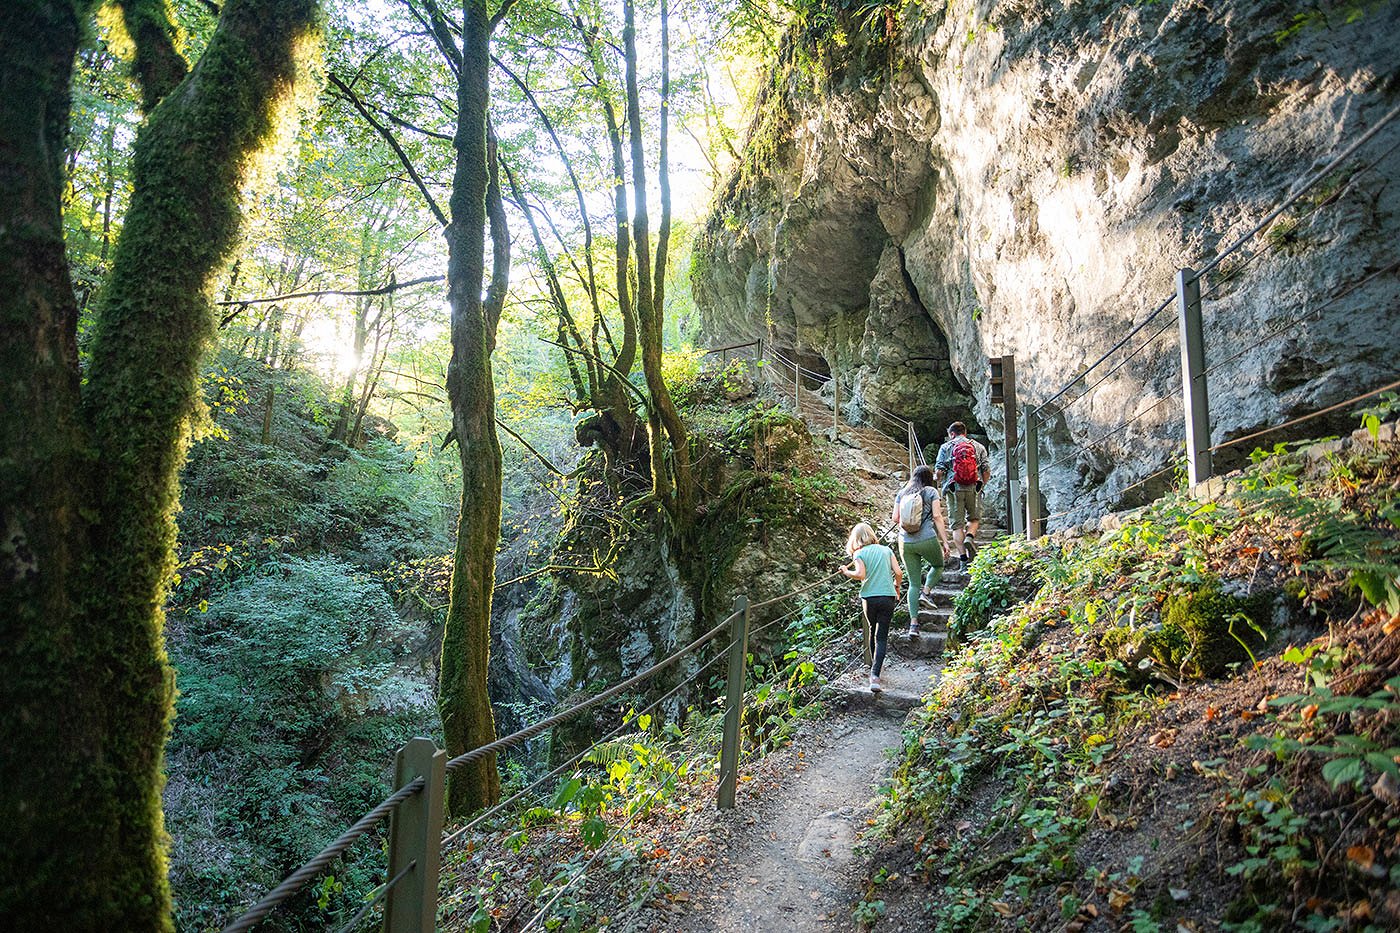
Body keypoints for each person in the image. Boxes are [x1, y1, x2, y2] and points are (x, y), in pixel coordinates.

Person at [840, 522, 902, 693]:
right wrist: (896, 587)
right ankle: (875, 675)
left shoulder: (859, 553)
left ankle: (874, 671)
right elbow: (898, 573)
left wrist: (846, 572)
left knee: (872, 630)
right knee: (881, 636)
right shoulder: (886, 550)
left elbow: (860, 575)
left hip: (869, 598)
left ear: (855, 539)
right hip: (888, 597)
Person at [891, 464, 952, 636]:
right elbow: (938, 516)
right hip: (926, 538)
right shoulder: (931, 492)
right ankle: (926, 593)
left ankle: (914, 626)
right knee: (939, 564)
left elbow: (895, 518)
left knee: (912, 583)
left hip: (905, 542)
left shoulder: (902, 493)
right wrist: (945, 542)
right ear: (928, 478)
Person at [934, 421, 990, 571]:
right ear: (965, 432)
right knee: (974, 518)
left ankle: (964, 561)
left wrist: (938, 484)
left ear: (951, 434)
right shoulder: (978, 447)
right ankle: (970, 537)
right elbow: (986, 469)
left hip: (953, 488)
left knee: (956, 525)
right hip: (974, 486)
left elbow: (939, 471)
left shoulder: (946, 447)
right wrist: (982, 484)